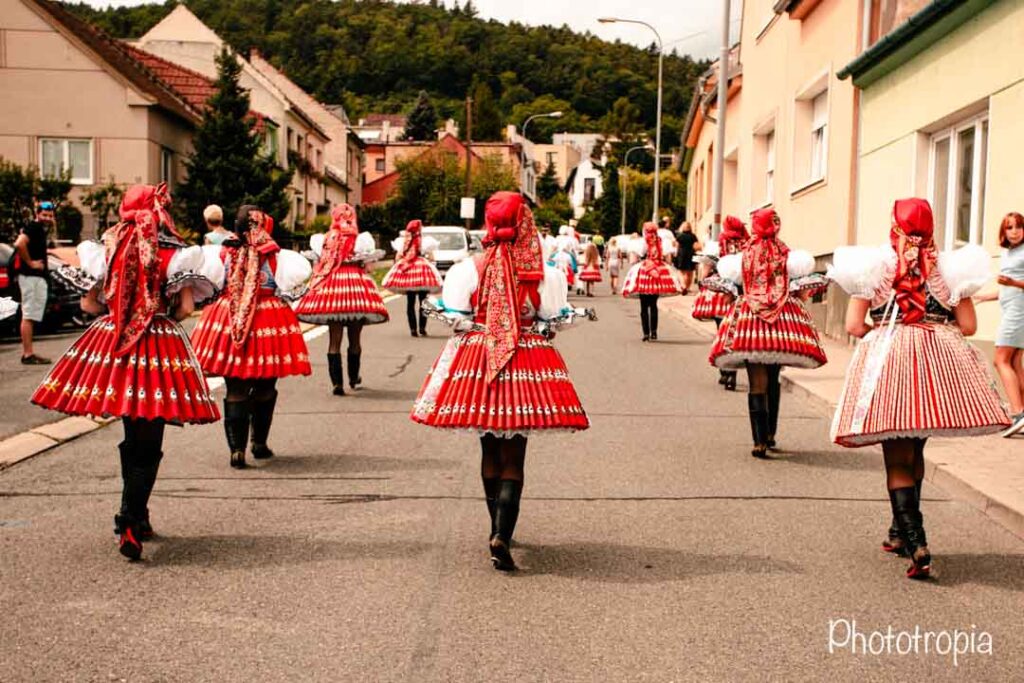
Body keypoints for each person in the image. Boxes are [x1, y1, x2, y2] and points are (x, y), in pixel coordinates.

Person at [30, 184, 220, 561]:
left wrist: (120, 312)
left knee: (131, 433)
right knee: (150, 439)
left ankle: (136, 516)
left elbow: (88, 304)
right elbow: (183, 309)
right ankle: (130, 519)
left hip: (114, 346)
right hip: (157, 348)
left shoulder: (109, 250)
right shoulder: (175, 255)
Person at [829, 198, 1009, 580]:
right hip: (935, 365)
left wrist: (883, 328)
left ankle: (917, 543)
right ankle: (899, 533)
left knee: (896, 458)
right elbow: (970, 326)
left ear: (894, 226)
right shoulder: (950, 269)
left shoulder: (873, 268)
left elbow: (853, 326)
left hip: (888, 361)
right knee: (916, 449)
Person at [411, 192, 590, 571]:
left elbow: (456, 316)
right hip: (526, 361)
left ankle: (495, 526)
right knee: (515, 454)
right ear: (524, 224)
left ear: (489, 226)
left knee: (489, 449)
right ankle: (502, 534)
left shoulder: (467, 269)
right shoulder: (543, 272)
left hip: (476, 359)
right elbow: (554, 319)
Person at [191, 205, 312, 469]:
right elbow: (288, 286)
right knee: (266, 386)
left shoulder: (220, 253)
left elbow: (209, 285)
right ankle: (259, 442)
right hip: (269, 319)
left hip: (228, 317)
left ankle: (237, 449)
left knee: (235, 388)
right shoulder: (279, 256)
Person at [709, 208, 827, 457]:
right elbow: (799, 288)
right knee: (773, 377)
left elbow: (733, 287)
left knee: (757, 382)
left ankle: (758, 440)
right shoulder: (788, 255)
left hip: (751, 320)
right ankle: (771, 435)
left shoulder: (741, 257)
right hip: (781, 321)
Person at [294, 203, 388, 395]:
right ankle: (354, 378)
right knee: (355, 338)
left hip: (332, 289)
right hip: (355, 289)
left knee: (334, 339)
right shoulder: (360, 239)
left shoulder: (325, 239)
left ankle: (337, 383)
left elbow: (319, 265)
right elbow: (369, 268)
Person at [975, 212, 1024, 436]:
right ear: (1003, 232)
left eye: (1018, 227)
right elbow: (1007, 289)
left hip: (1019, 312)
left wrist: (1012, 281)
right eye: (1009, 227)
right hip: (1010, 309)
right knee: (1014, 362)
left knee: (1000, 359)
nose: (1014, 231)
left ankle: (1018, 412)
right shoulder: (1008, 253)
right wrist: (984, 297)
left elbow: (1014, 284)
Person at [693, 216, 749, 390]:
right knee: (736, 333)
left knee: (722, 332)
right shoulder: (747, 242)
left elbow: (708, 266)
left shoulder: (719, 243)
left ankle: (725, 370)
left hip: (722, 291)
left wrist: (703, 282)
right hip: (742, 291)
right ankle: (733, 373)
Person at [622, 222, 682, 341]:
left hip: (645, 271)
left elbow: (639, 254)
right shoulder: (660, 241)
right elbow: (666, 256)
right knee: (653, 304)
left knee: (644, 306)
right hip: (658, 271)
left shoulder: (643, 241)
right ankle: (654, 332)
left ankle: (646, 333)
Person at [382, 219, 442, 337]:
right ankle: (422, 328)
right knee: (423, 302)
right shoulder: (424, 241)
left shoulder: (403, 242)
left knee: (410, 303)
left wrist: (404, 262)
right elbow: (431, 257)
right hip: (421, 272)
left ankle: (413, 329)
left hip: (408, 271)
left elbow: (398, 256)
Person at [14, 201, 54, 365]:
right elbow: (19, 243)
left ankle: (29, 353)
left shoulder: (39, 229)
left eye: (50, 216)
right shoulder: (34, 227)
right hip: (31, 277)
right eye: (44, 215)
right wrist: (31, 263)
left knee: (30, 315)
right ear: (37, 214)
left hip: (34, 278)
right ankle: (28, 354)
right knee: (28, 315)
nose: (47, 218)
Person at [674, 221, 700, 295]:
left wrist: (675, 255)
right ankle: (688, 287)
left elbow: (677, 246)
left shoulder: (680, 236)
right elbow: (696, 245)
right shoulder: (693, 236)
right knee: (690, 272)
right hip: (691, 254)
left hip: (681, 254)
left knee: (681, 272)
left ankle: (683, 286)